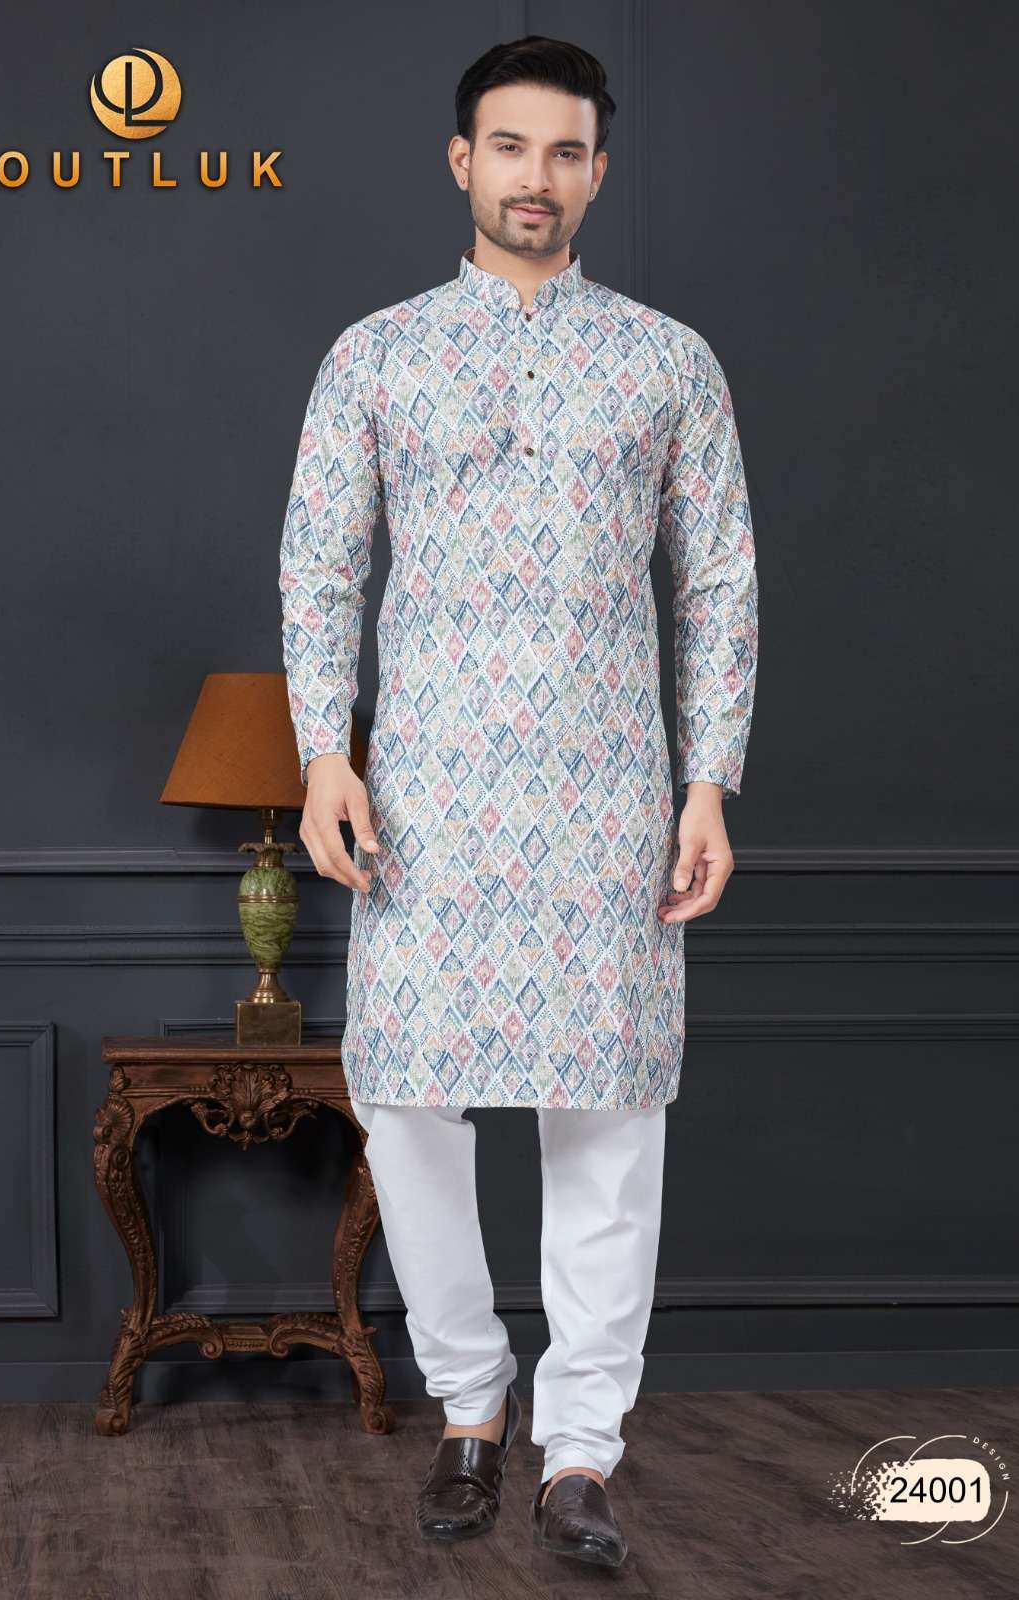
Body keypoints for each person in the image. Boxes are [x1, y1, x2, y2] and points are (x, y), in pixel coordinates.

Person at [278, 33, 758, 1569]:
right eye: (507, 147)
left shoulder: (667, 362)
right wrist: (326, 753)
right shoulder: (375, 355)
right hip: (424, 797)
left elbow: (718, 586)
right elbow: (320, 566)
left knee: (606, 1119)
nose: (533, 177)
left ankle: (581, 1453)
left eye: (562, 152)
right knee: (408, 1106)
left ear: (596, 173)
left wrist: (707, 782)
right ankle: (470, 1406)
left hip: (608, 793)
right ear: (460, 161)